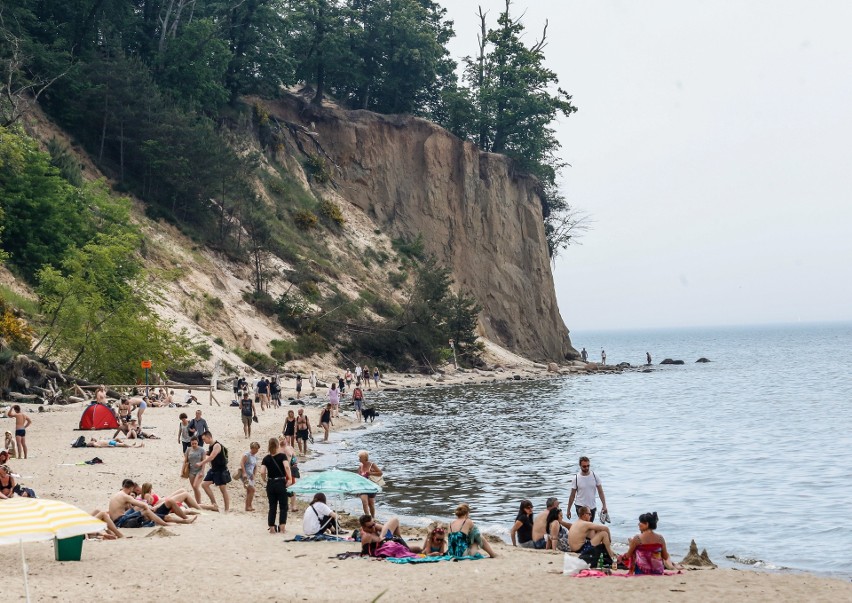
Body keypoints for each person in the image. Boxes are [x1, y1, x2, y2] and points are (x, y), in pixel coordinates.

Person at [107, 479, 172, 529]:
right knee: (146, 511)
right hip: (120, 521)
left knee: (140, 510)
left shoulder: (118, 494)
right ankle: (165, 524)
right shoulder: (125, 496)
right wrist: (149, 507)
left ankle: (157, 521)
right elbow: (143, 505)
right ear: (131, 488)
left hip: (115, 521)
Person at [259, 437, 293, 534]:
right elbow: (286, 466)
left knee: (272, 506)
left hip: (271, 483)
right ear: (278, 445)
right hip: (281, 482)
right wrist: (290, 478)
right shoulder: (282, 456)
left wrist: (265, 479)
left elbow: (262, 472)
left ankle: (272, 528)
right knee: (283, 506)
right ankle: (282, 528)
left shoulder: (266, 458)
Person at [566, 456, 608, 522]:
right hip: (580, 506)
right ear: (580, 466)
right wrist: (568, 510)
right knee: (585, 525)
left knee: (589, 526)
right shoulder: (576, 478)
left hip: (592, 506)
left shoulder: (595, 476)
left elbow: (600, 492)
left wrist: (604, 505)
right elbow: (572, 495)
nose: (587, 468)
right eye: (584, 466)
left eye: (588, 466)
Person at [199, 431, 230, 512]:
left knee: (223, 490)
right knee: (204, 485)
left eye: (204, 439)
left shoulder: (217, 445)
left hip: (220, 470)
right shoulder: (211, 445)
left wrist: (201, 463)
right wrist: (205, 453)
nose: (204, 441)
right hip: (214, 469)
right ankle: (214, 504)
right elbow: (211, 454)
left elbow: (212, 457)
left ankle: (226, 509)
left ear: (209, 437)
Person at [278, 436, 301, 512]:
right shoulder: (277, 449)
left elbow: (294, 457)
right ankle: (284, 505)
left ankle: (293, 506)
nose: (282, 441)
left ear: (285, 439)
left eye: (283, 439)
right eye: (280, 440)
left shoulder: (290, 448)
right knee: (282, 488)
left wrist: (295, 462)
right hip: (281, 470)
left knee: (293, 487)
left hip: (290, 469)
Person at [357, 450, 382, 517]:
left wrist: (371, 473)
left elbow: (380, 473)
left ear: (365, 458)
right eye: (359, 457)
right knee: (364, 502)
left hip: (372, 487)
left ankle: (373, 517)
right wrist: (357, 489)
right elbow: (358, 478)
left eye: (360, 457)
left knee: (371, 504)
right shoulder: (360, 466)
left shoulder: (372, 464)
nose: (359, 459)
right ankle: (367, 517)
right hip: (363, 487)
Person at [239, 442, 260, 512]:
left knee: (249, 490)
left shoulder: (255, 456)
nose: (257, 450)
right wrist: (244, 473)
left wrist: (254, 475)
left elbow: (255, 466)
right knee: (252, 490)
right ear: (252, 448)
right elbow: (241, 463)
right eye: (256, 449)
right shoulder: (247, 455)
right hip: (245, 475)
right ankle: (248, 506)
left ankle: (248, 506)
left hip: (251, 475)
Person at [185, 437, 206, 504]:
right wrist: (183, 470)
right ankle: (197, 503)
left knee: (195, 486)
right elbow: (185, 460)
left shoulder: (202, 450)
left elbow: (204, 461)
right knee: (194, 488)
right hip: (191, 471)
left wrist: (202, 471)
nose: (194, 445)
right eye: (192, 444)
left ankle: (199, 503)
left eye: (195, 443)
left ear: (198, 443)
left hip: (199, 471)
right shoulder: (188, 450)